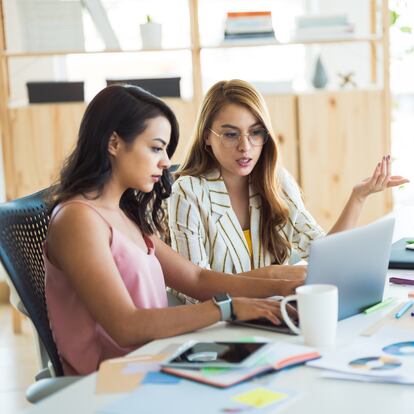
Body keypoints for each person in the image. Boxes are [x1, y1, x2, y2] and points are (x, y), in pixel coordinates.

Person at [44, 84, 300, 376]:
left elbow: (196, 278)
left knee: (277, 368)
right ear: (114, 143)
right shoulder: (78, 220)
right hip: (114, 384)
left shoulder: (124, 214)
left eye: (165, 149)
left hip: (160, 362)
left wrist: (284, 288)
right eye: (155, 148)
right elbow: (126, 326)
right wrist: (226, 308)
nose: (166, 162)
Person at [168, 79, 409, 303]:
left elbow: (325, 258)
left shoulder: (276, 181)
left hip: (275, 316)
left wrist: (358, 197)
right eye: (231, 134)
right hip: (218, 328)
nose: (245, 146)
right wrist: (274, 275)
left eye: (255, 132)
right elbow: (195, 292)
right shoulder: (188, 192)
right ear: (207, 137)